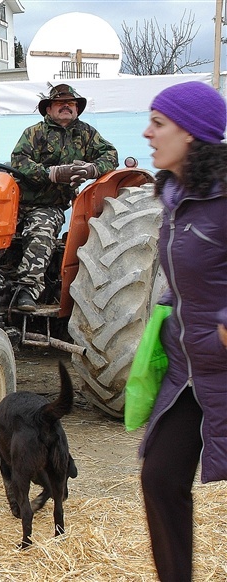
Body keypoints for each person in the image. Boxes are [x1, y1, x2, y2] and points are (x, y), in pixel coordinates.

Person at [138, 81, 227, 582]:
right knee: (161, 477)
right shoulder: (175, 197)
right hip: (189, 370)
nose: (147, 133)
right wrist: (167, 316)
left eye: (159, 122)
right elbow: (188, 276)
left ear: (191, 134)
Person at [10, 83, 118, 311]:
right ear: (49, 109)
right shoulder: (34, 133)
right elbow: (19, 161)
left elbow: (110, 155)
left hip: (48, 206)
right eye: (60, 103)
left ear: (77, 109)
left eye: (71, 103)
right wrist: (51, 173)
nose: (66, 107)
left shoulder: (86, 134)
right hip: (16, 202)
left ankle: (26, 290)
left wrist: (91, 170)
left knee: (41, 230)